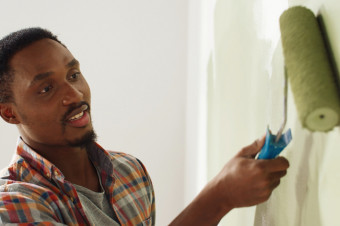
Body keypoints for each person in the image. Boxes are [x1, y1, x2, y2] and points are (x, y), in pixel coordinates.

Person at [0, 28, 289, 225]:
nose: (75, 95)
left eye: (74, 74)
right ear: (9, 112)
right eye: (46, 88)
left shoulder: (130, 172)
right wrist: (220, 196)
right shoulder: (12, 205)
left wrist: (223, 193)